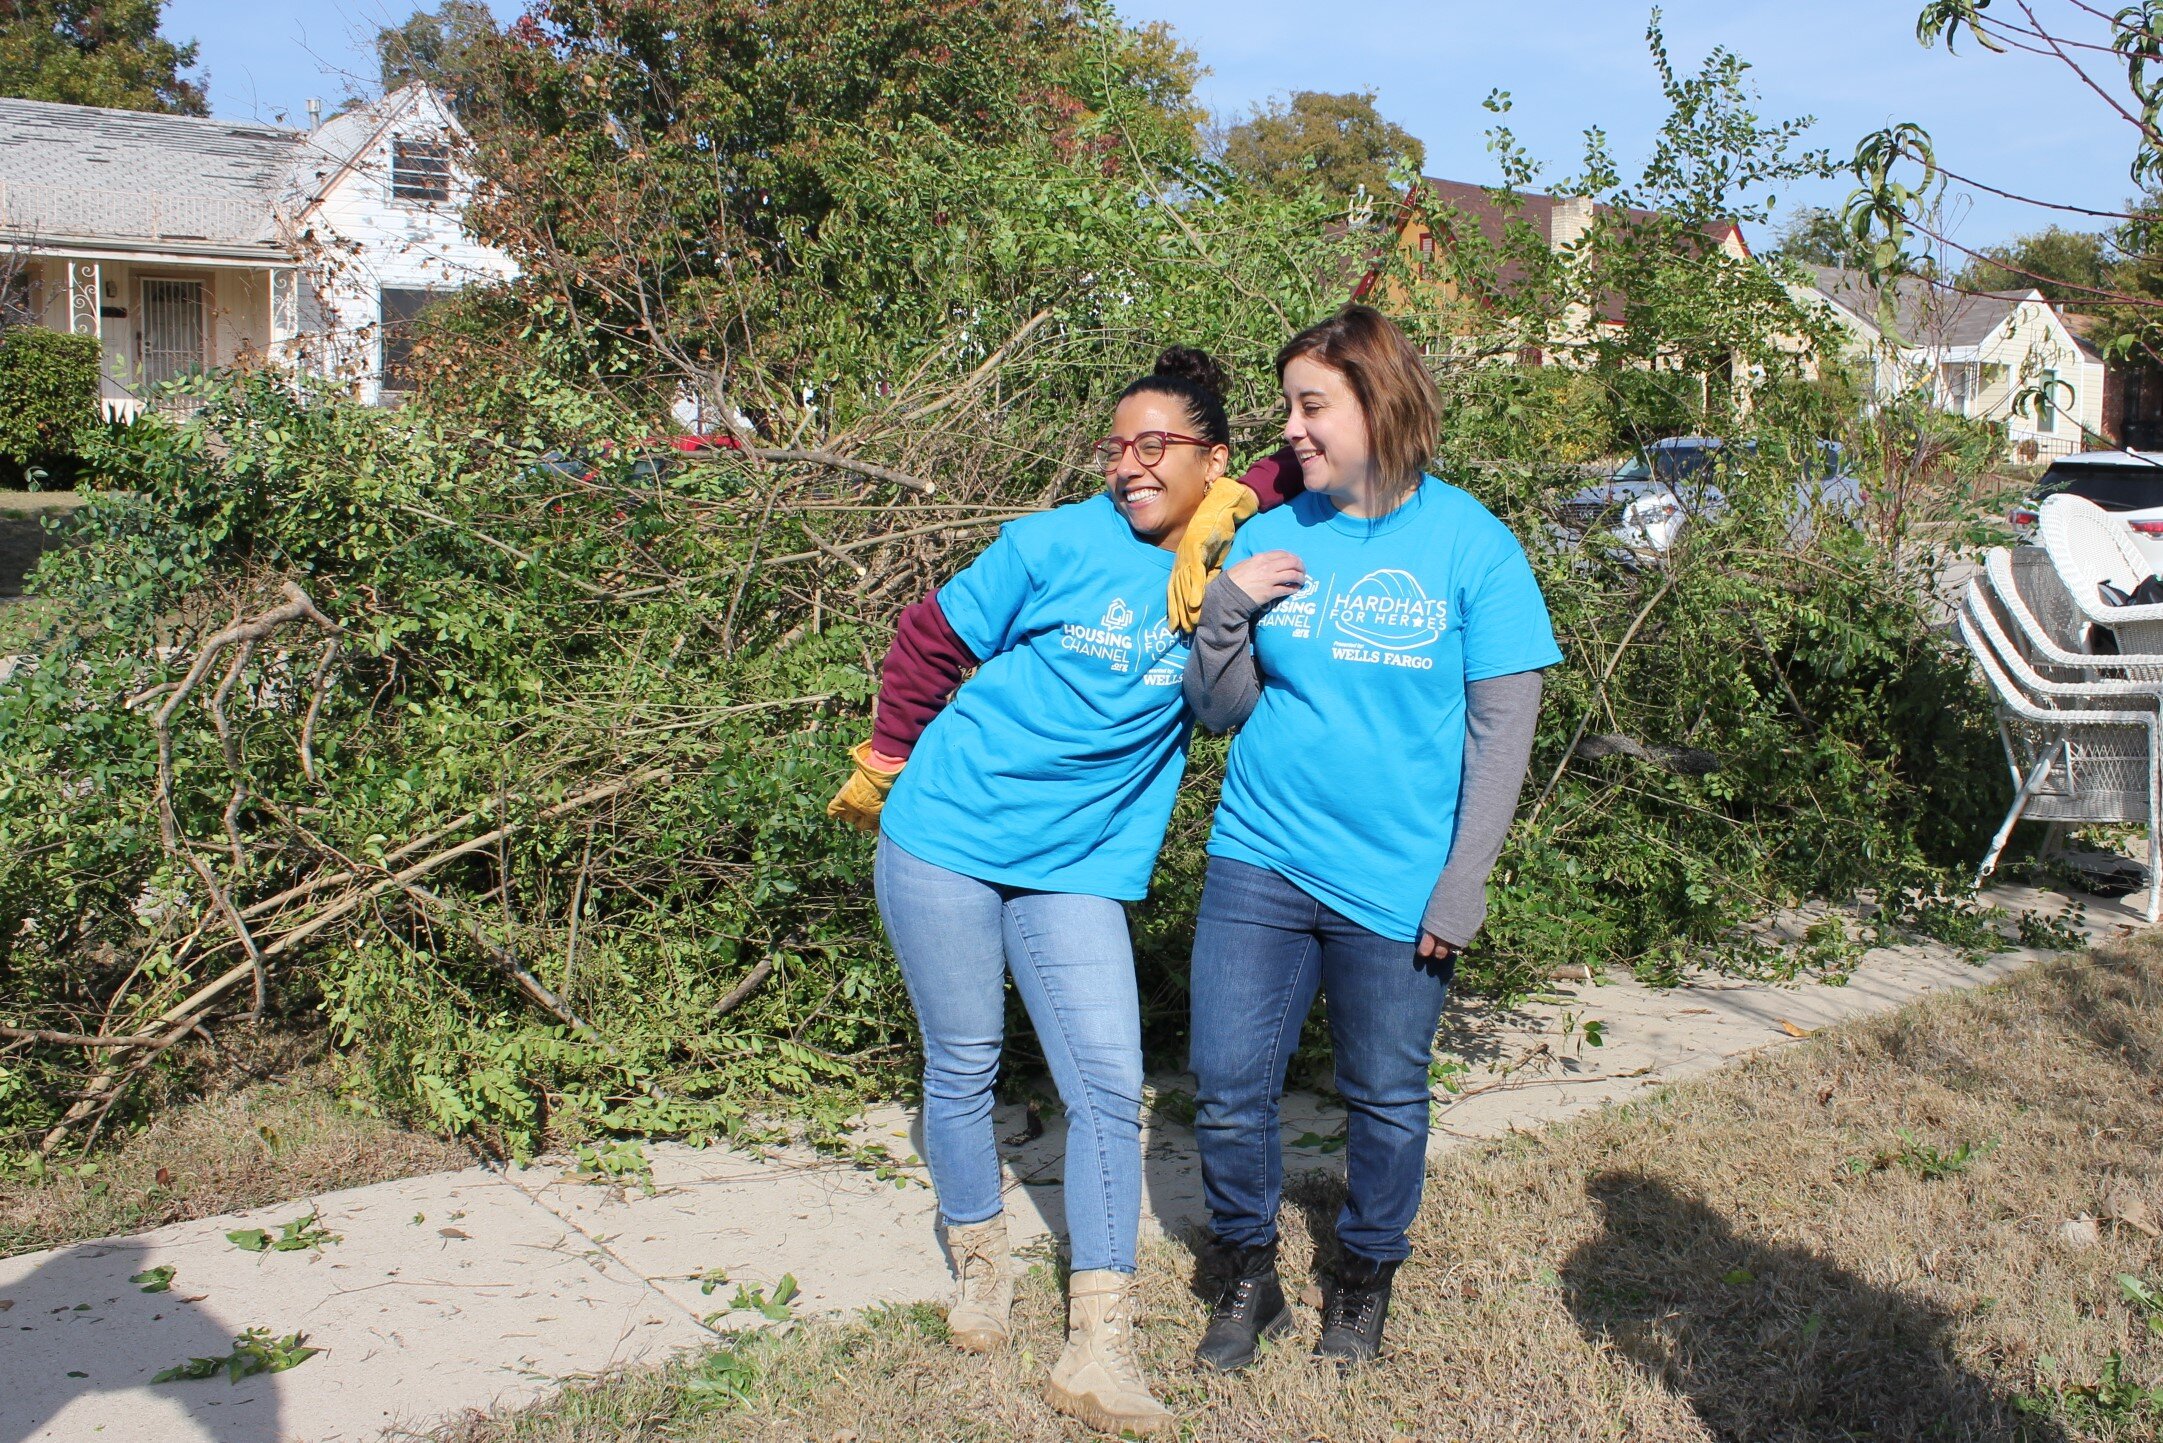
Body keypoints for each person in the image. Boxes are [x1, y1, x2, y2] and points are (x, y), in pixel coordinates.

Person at [824, 349, 1298, 1436]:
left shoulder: (1232, 532)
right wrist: (891, 760)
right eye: (1116, 447)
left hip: (1077, 863)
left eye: (1156, 447)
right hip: (946, 834)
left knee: (1108, 1089)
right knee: (964, 1060)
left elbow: (1299, 458)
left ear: (1212, 461)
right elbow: (928, 638)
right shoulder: (1049, 543)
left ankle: (1099, 1345)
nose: (1130, 466)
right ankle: (980, 1259)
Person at [1181, 305, 1560, 1370]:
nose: (1290, 430)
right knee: (1225, 1081)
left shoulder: (1472, 544)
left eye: (1313, 406)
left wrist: (1463, 884)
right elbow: (1218, 712)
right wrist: (1223, 613)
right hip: (1260, 854)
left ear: (1378, 404)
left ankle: (1364, 1275)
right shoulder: (1267, 538)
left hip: (1396, 877)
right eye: (1288, 406)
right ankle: (1249, 1274)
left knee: (1385, 1097)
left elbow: (1501, 731)